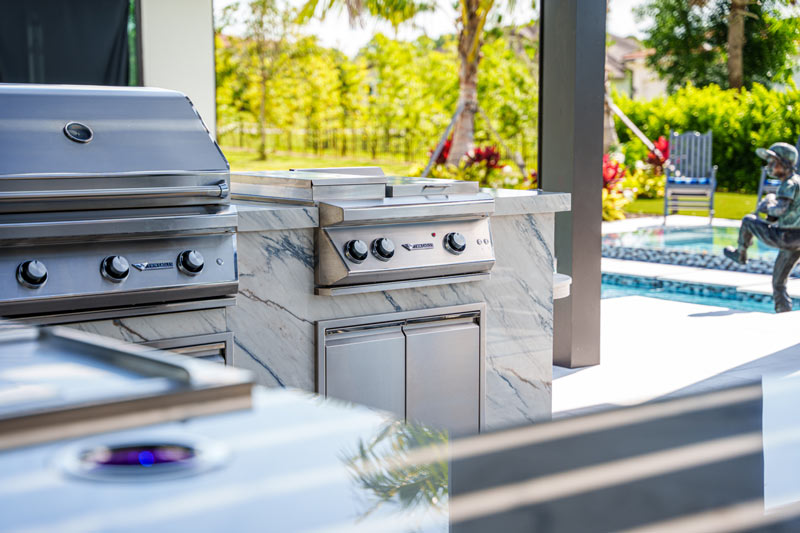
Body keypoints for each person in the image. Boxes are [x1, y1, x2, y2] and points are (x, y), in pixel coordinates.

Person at [724, 142, 800, 313]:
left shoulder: (788, 184)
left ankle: (740, 254)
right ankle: (784, 314)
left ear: (785, 164)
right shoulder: (798, 182)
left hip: (786, 236)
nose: (769, 166)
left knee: (749, 220)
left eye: (772, 161)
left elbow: (781, 210)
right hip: (798, 240)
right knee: (778, 283)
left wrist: (767, 206)